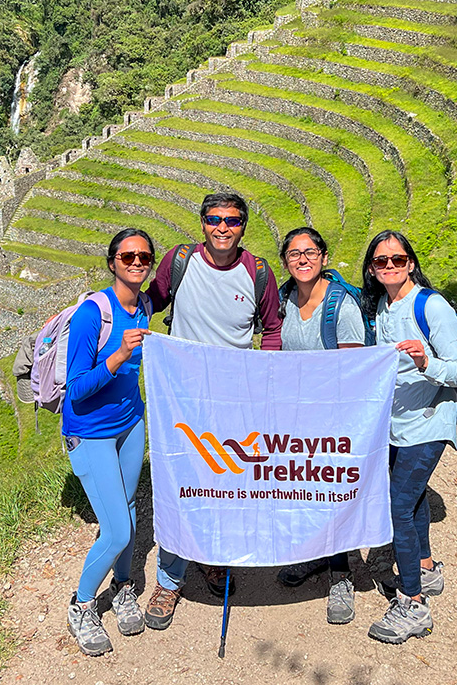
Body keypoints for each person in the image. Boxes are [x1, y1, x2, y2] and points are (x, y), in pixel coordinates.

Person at [143, 191, 283, 630]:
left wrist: (267, 379)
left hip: (234, 399)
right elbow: (149, 303)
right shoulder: (179, 261)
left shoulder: (259, 272)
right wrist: (104, 315)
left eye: (233, 220)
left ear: (244, 226)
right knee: (181, 485)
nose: (223, 227)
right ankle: (170, 578)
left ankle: (216, 559)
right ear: (202, 222)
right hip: (181, 396)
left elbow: (272, 329)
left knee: (225, 485)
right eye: (214, 219)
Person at [359, 230, 457, 643]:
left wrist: (427, 362)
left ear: (411, 262)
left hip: (428, 421)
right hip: (395, 423)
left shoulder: (431, 305)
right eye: (381, 261)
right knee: (416, 496)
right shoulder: (383, 308)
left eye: (398, 259)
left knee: (397, 506)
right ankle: (425, 565)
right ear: (371, 268)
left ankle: (412, 603)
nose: (390, 267)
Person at [62, 228, 156, 656]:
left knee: (131, 511)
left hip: (130, 423)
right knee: (117, 531)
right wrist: (117, 356)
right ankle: (81, 605)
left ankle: (122, 588)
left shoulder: (145, 307)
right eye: (128, 256)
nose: (137, 263)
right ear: (112, 261)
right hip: (90, 432)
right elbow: (77, 388)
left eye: (144, 257)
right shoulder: (92, 314)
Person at [272, 227, 368, 625]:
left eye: (310, 252)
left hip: (333, 418)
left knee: (332, 495)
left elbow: (354, 368)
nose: (302, 260)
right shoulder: (283, 301)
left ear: (324, 257)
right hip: (296, 417)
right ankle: (312, 557)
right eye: (294, 254)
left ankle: (341, 574)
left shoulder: (341, 307)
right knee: (302, 491)